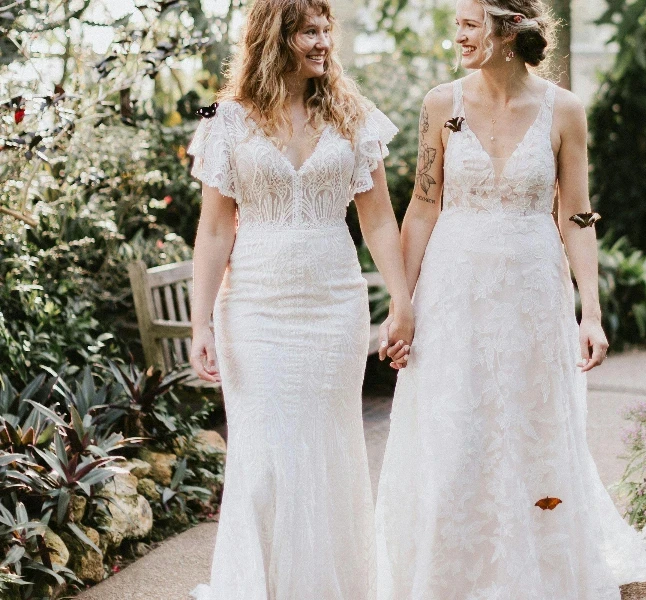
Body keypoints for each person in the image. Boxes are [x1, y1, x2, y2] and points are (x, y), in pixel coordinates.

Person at [374, 0, 646, 596]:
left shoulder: (564, 110)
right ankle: (451, 574)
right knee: (455, 426)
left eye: (469, 23)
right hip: (453, 292)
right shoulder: (442, 105)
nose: (457, 35)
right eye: (455, 23)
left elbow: (577, 213)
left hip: (534, 294)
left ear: (508, 28)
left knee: (531, 428)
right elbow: (424, 204)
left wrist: (590, 311)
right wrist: (401, 303)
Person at [185, 0, 413, 597]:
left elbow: (380, 219)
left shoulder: (353, 116)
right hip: (255, 309)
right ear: (274, 36)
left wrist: (402, 299)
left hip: (333, 307)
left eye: (325, 29)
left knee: (329, 449)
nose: (322, 41)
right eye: (309, 30)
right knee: (261, 459)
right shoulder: (227, 119)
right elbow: (213, 230)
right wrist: (201, 321)